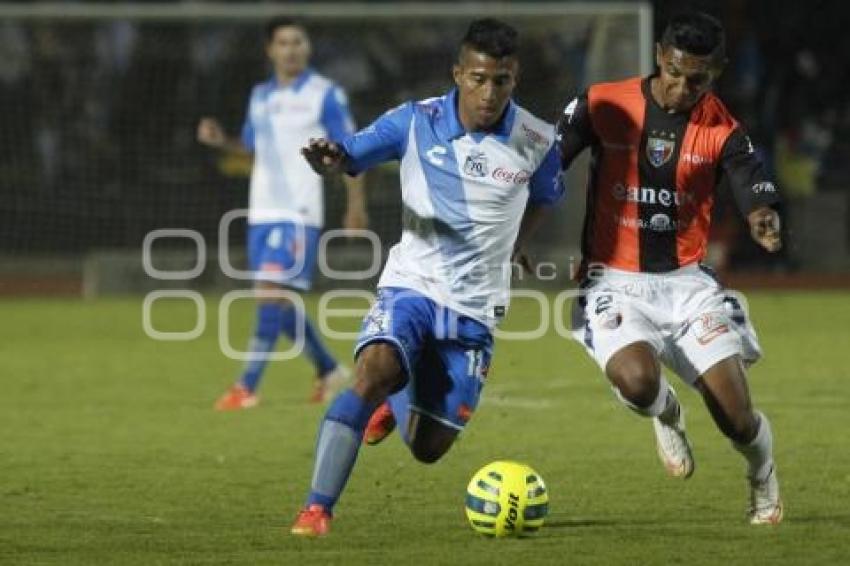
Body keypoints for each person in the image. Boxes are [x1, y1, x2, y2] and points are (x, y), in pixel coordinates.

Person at [289, 18, 564, 536]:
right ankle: (316, 509)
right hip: (411, 286)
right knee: (372, 371)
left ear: (515, 77)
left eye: (500, 81)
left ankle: (402, 390)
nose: (488, 93)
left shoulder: (538, 139)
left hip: (476, 310)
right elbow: (350, 153)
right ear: (458, 73)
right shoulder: (414, 121)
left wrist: (517, 244)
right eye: (478, 78)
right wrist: (333, 158)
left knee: (426, 448)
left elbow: (546, 197)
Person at [556, 11, 783, 524]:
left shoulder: (722, 128)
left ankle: (762, 470)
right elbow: (549, 165)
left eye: (696, 79)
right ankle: (667, 412)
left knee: (736, 420)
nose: (681, 87)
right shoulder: (604, 102)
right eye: (674, 72)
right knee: (637, 382)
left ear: (716, 71)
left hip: (686, 285)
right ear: (660, 56)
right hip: (613, 279)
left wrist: (761, 217)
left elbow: (753, 184)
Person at [197, 17, 367, 410]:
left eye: (298, 42)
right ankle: (327, 369)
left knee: (269, 294)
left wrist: (355, 206)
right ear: (270, 50)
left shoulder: (324, 94)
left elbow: (351, 149)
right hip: (262, 210)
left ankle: (247, 386)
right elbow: (251, 149)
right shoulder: (260, 95)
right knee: (278, 298)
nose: (291, 49)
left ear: (307, 48)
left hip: (299, 209)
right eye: (283, 43)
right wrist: (221, 140)